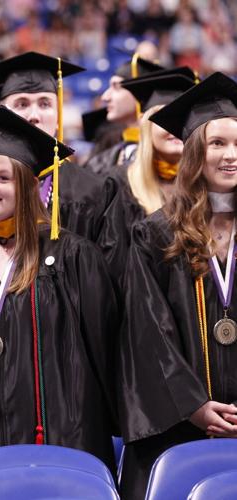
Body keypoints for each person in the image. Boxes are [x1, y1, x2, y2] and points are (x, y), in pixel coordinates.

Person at [0, 107, 119, 500]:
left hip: (60, 436)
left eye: (3, 178)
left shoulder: (72, 256)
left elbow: (105, 352)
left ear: (29, 186)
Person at [119, 72, 237, 499]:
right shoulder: (155, 236)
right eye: (217, 143)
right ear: (193, 153)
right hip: (177, 428)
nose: (230, 156)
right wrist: (195, 406)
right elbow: (147, 333)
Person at [0, 53, 117, 252]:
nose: (34, 116)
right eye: (22, 104)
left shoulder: (93, 191)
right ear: (2, 111)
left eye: (45, 104)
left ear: (59, 112)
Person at [99, 68, 196, 289]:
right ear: (146, 126)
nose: (175, 126)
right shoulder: (120, 184)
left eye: (184, 117)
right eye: (165, 117)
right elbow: (113, 264)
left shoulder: (206, 186)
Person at [84, 53, 164, 175]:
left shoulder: (166, 156)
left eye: (116, 87)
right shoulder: (106, 152)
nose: (105, 97)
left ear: (140, 93)